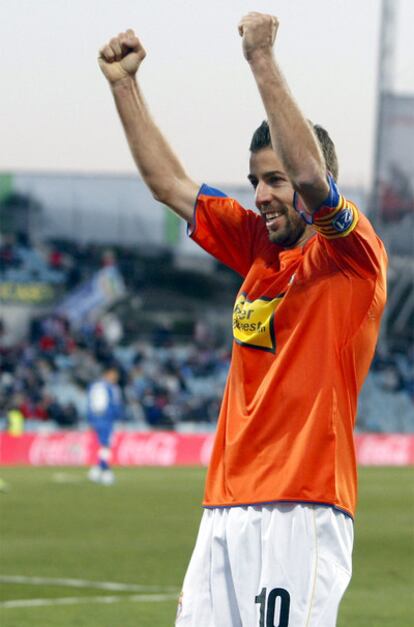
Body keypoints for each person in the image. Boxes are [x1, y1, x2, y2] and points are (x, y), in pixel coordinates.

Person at [98, 13, 387, 626]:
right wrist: (124, 85)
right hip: (225, 507)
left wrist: (260, 56)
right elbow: (168, 183)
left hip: (302, 508)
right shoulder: (257, 247)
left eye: (274, 180)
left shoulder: (352, 255)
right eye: (255, 180)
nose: (261, 195)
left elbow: (310, 175)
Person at [87, 363, 123, 485]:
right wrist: (117, 416)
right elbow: (114, 406)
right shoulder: (111, 388)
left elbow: (90, 404)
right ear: (108, 374)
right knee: (106, 444)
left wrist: (91, 419)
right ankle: (105, 471)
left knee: (104, 445)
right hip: (106, 419)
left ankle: (97, 470)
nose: (116, 377)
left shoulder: (95, 386)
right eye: (114, 374)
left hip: (97, 418)